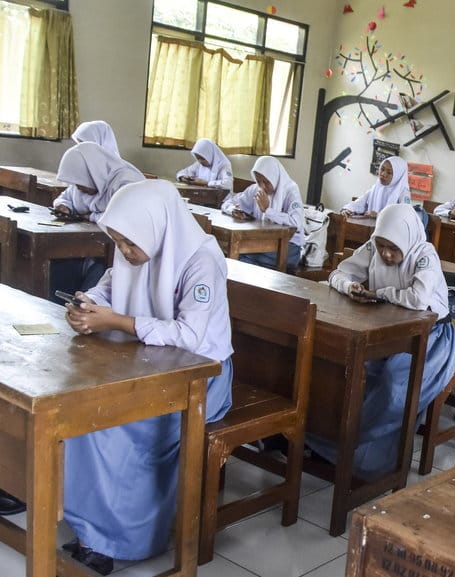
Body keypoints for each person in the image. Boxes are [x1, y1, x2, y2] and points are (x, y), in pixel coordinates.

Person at [61, 179, 233, 575]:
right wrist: (87, 306)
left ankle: (126, 540)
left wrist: (119, 322)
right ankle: (94, 531)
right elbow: (106, 288)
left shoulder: (200, 260)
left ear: (155, 227)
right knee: (84, 411)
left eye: (129, 244)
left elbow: (192, 337)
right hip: (150, 366)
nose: (124, 252)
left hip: (202, 380)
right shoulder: (136, 248)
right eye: (118, 242)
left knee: (113, 424)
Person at [313, 203, 455, 476]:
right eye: (381, 247)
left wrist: (379, 293)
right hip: (386, 331)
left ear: (407, 239)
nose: (386, 254)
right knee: (348, 369)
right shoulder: (373, 247)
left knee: (393, 384)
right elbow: (338, 273)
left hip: (431, 339)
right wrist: (350, 286)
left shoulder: (424, 254)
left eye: (393, 248)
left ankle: (353, 453)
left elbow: (418, 299)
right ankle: (330, 444)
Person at [50, 142, 146, 296]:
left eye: (80, 183)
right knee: (58, 264)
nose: (78, 187)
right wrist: (63, 206)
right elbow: (66, 196)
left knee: (93, 278)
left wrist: (91, 216)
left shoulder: (125, 182)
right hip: (87, 246)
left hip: (119, 253)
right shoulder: (82, 184)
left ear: (93, 173)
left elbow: (126, 220)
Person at [221, 156, 305, 270]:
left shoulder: (291, 191)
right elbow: (228, 203)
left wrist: (268, 210)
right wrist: (232, 210)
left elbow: (297, 223)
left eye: (266, 181)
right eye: (258, 181)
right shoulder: (256, 190)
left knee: (239, 253)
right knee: (234, 252)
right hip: (262, 242)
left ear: (274, 177)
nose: (262, 186)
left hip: (288, 247)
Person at [340, 156, 411, 217]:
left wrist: (378, 215)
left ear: (398, 176)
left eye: (389, 172)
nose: (383, 174)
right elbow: (360, 203)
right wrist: (347, 209)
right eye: (382, 169)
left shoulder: (403, 193)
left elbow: (404, 217)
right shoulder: (377, 187)